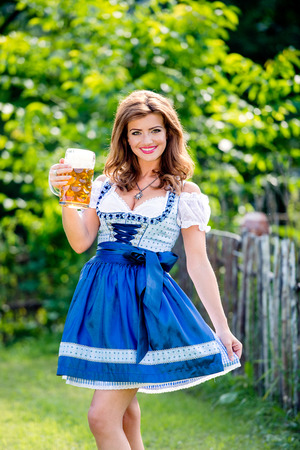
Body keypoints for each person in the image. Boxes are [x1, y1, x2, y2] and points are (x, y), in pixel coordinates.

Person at [49, 90, 242, 450]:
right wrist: (65, 198)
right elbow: (81, 241)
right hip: (102, 298)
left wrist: (222, 327)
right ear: (124, 137)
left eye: (155, 130)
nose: (146, 140)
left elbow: (198, 263)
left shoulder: (184, 192)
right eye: (135, 132)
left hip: (145, 302)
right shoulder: (103, 184)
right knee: (125, 413)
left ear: (170, 133)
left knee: (100, 416)